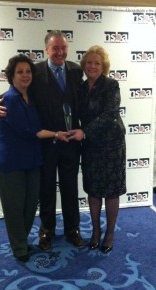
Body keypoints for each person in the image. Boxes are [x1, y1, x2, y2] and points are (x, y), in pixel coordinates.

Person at [0, 30, 84, 251]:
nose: (60, 52)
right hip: (45, 144)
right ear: (46, 50)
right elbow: (14, 93)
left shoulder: (75, 71)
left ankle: (73, 229)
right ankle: (47, 231)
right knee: (46, 190)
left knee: (71, 188)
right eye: (55, 48)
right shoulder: (35, 72)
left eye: (63, 48)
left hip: (70, 143)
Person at [69, 45, 126, 253]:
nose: (92, 66)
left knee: (111, 191)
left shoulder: (111, 85)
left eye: (97, 63)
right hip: (91, 146)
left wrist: (85, 132)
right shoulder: (81, 89)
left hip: (112, 145)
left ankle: (110, 233)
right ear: (84, 66)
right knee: (93, 190)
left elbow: (110, 114)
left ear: (103, 66)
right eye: (89, 62)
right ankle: (95, 231)